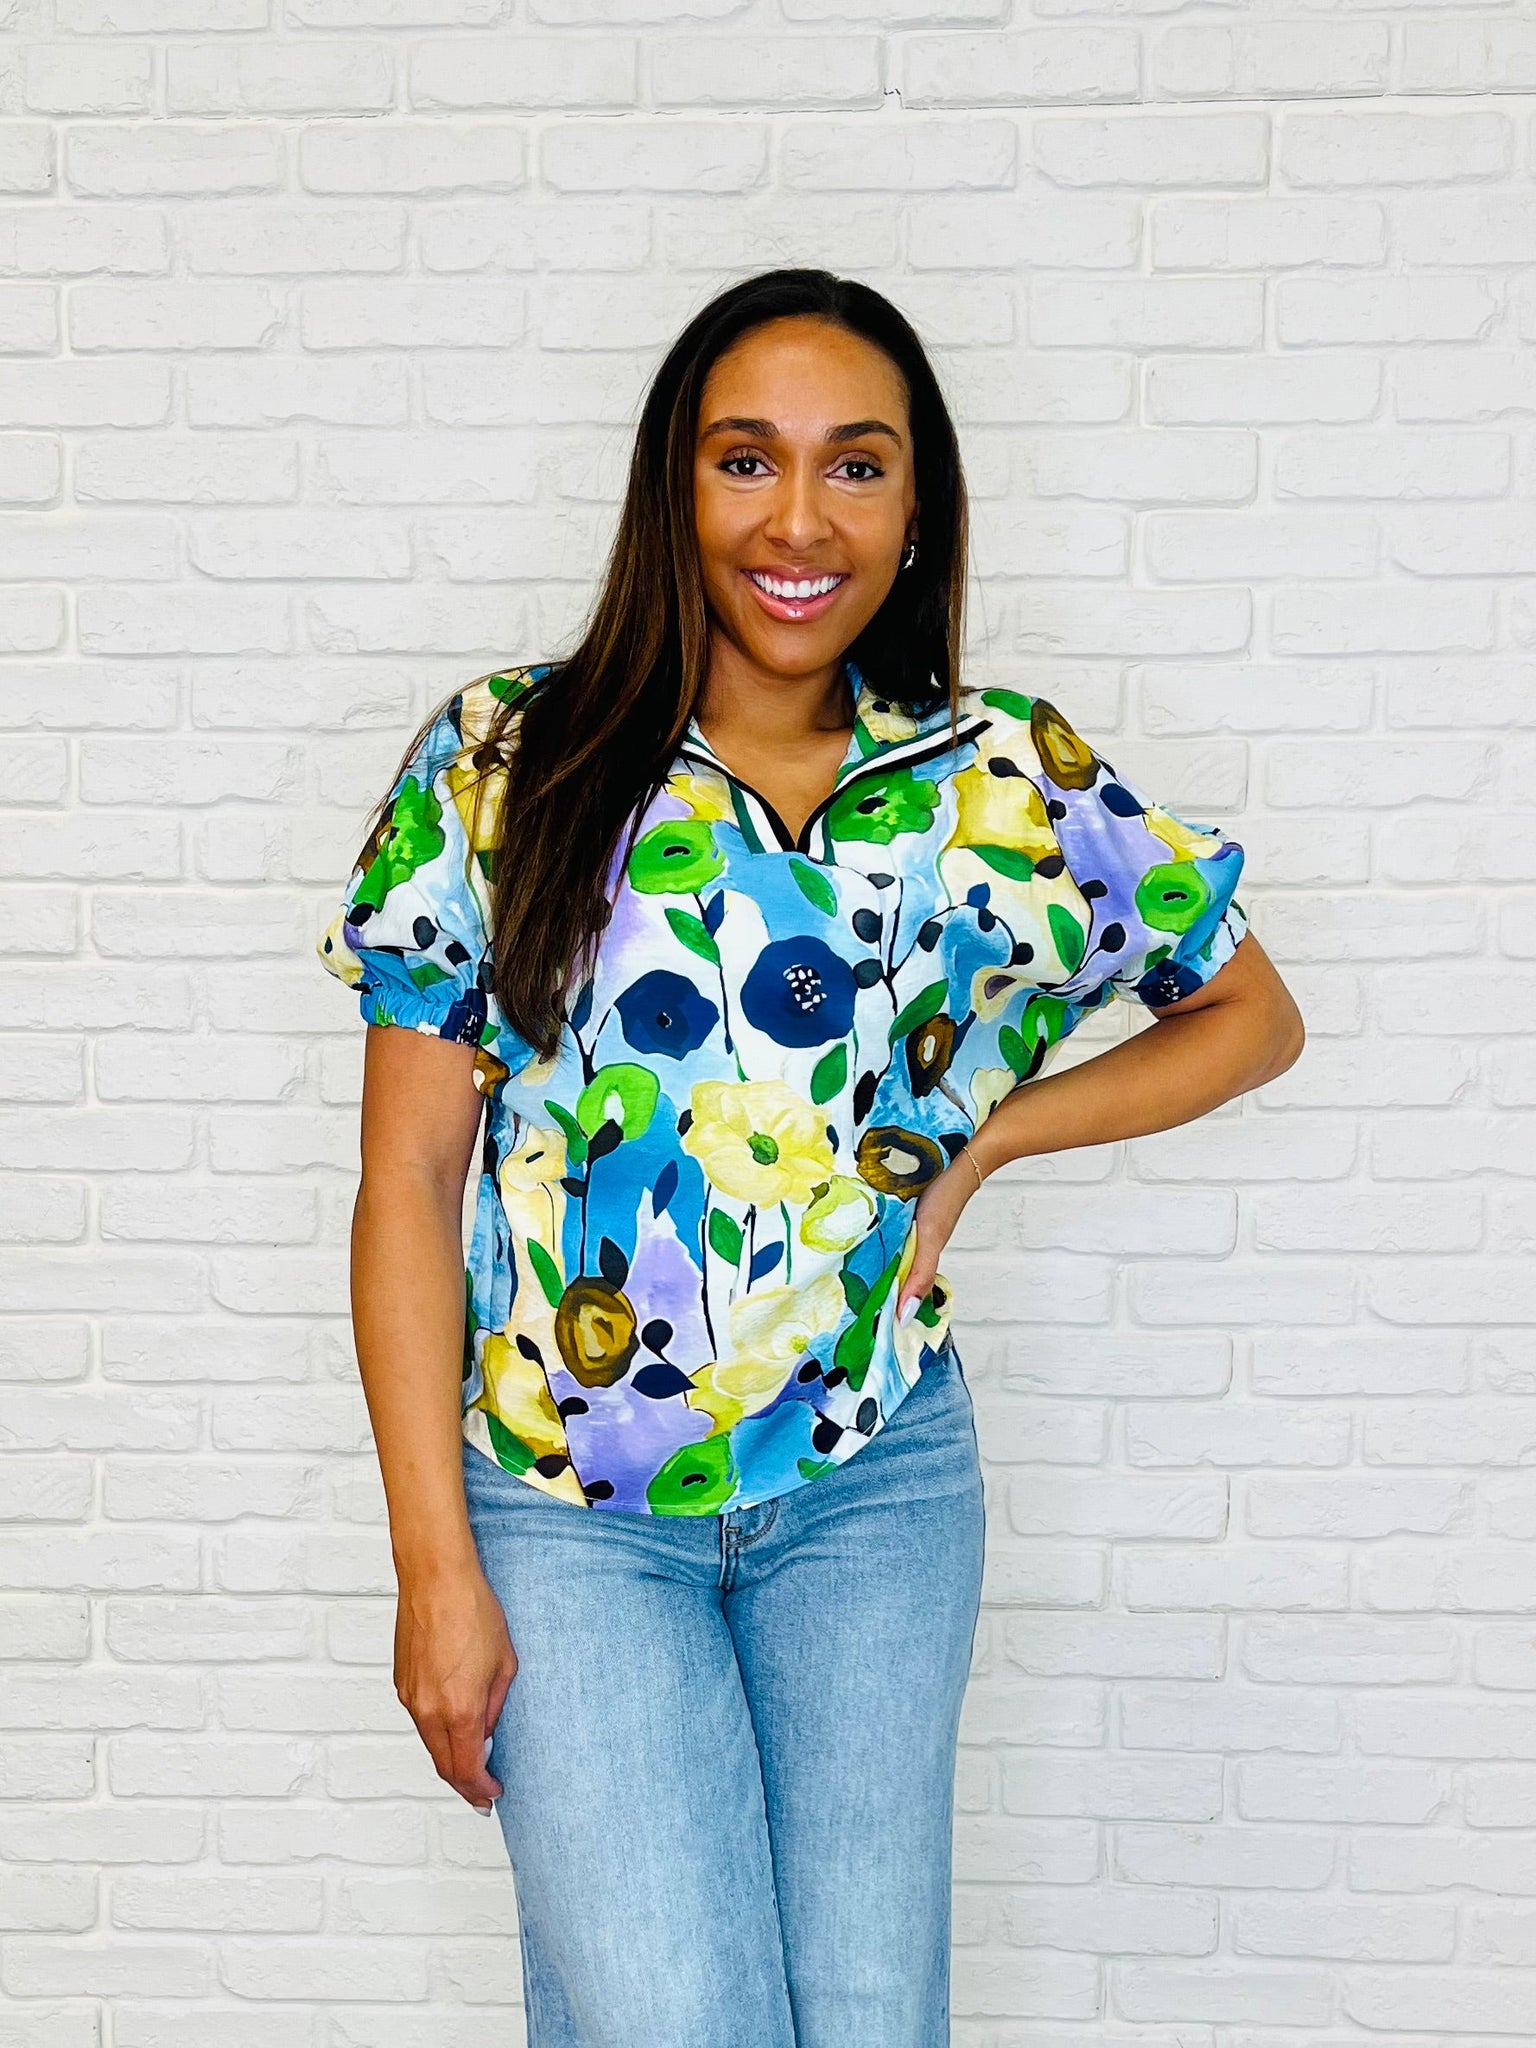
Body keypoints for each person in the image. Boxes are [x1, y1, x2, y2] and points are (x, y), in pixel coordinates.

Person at [315, 267, 1305, 2047]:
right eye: (744, 461)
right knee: (672, 2016)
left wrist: (991, 1139)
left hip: (876, 1492)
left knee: (864, 2020)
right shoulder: (505, 762)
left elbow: (1248, 1012)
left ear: (917, 504)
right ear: (674, 489)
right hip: (567, 1513)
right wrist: (433, 1568)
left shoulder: (997, 778)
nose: (798, 521)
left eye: (855, 465)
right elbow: (408, 1187)